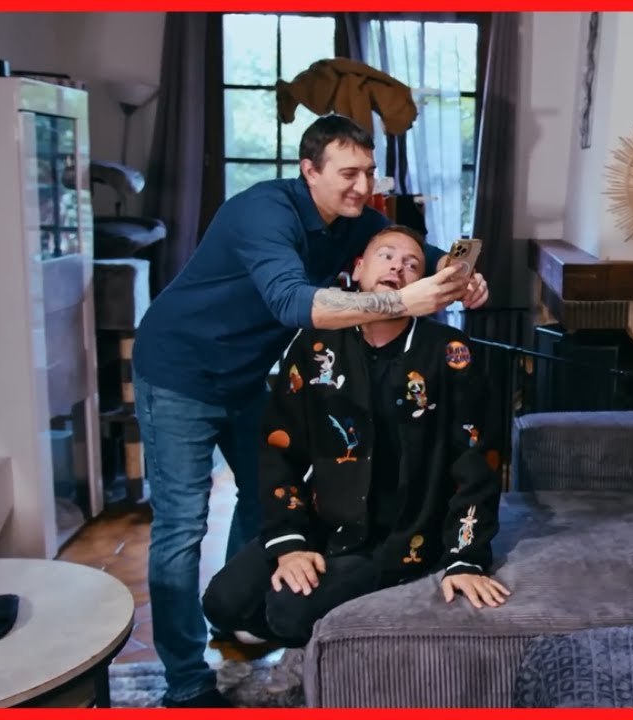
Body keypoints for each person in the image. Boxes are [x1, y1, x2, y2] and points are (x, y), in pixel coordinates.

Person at [131, 114, 490, 707]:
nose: (363, 186)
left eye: (369, 172)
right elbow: (292, 302)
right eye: (349, 173)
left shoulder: (355, 220)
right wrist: (402, 301)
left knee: (259, 497)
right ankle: (185, 682)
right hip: (179, 372)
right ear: (309, 171)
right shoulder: (262, 213)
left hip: (247, 376)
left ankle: (241, 619)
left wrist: (465, 280)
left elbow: (418, 256)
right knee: (181, 526)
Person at [201, 225, 508, 650]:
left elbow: (476, 460)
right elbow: (278, 449)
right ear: (358, 269)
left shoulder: (449, 352)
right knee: (221, 602)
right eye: (386, 256)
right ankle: (311, 604)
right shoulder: (316, 344)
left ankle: (380, 590)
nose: (398, 267)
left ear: (422, 287)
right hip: (327, 518)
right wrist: (291, 544)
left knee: (288, 611)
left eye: (412, 264)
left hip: (403, 533)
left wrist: (465, 558)